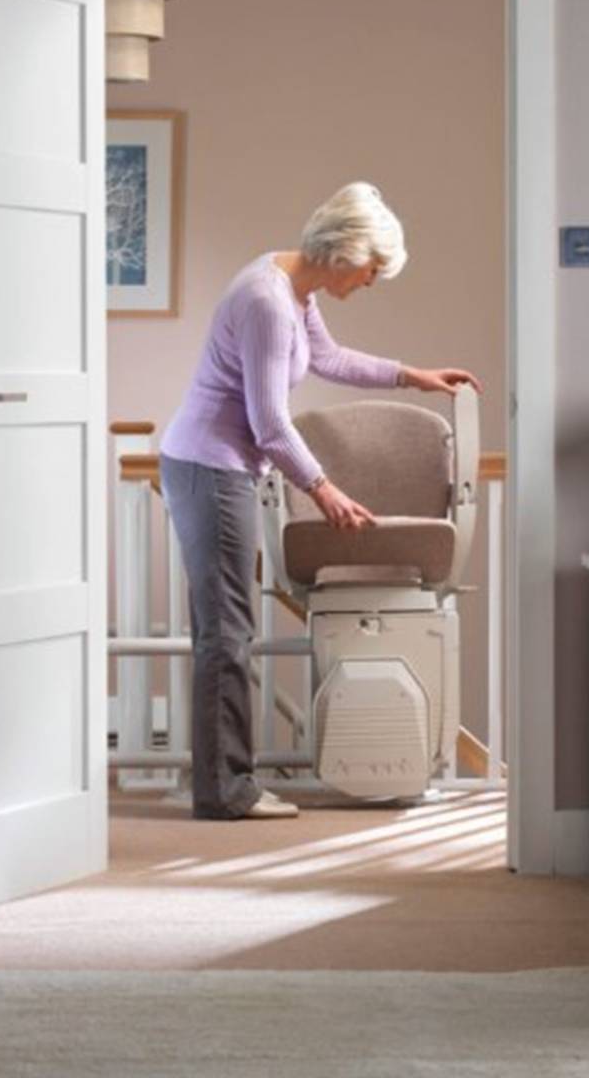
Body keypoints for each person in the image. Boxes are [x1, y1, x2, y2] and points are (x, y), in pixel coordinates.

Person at [159, 181, 482, 820]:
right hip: (209, 468)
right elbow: (271, 425)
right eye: (370, 270)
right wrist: (323, 489)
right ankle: (228, 792)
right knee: (226, 633)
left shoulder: (287, 284)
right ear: (343, 252)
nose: (371, 282)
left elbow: (329, 357)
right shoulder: (267, 302)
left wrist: (410, 375)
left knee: (227, 628)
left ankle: (225, 786)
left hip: (215, 466)